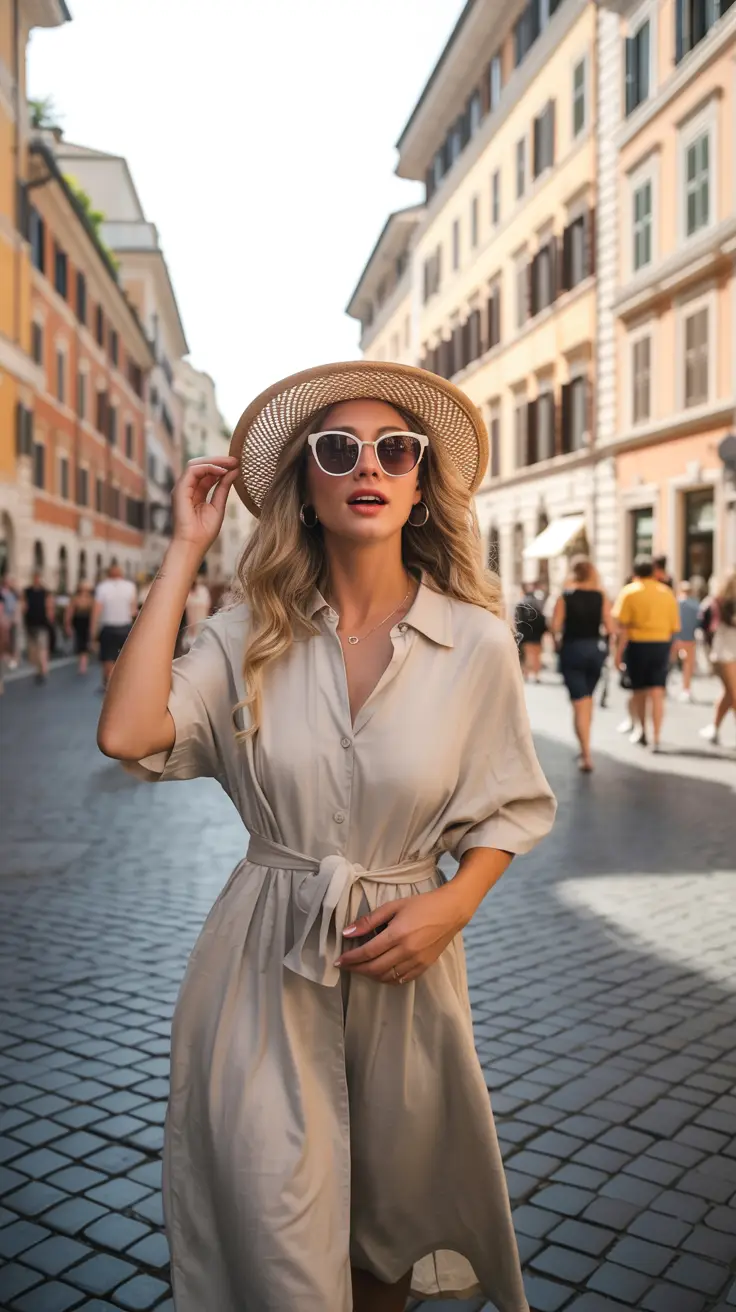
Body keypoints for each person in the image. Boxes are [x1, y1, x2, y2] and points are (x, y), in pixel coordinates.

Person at [97, 361, 556, 1312]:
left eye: (395, 449)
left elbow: (508, 802)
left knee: (384, 1245)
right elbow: (128, 732)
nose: (369, 466)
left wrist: (452, 905)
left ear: (420, 481)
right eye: (338, 450)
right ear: (307, 485)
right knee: (283, 1247)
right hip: (263, 970)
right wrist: (187, 548)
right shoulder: (245, 635)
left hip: (407, 966)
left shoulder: (474, 640)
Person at [550, 557, 613, 772]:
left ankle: (585, 753)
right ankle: (586, 747)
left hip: (573, 650)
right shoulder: (600, 595)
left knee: (580, 703)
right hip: (594, 650)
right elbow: (610, 626)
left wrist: (558, 643)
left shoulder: (564, 596)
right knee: (587, 701)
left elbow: (555, 626)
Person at [612, 557, 681, 751]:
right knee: (658, 691)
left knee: (639, 691)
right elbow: (674, 627)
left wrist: (617, 654)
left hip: (637, 645)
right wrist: (672, 651)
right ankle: (657, 736)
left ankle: (642, 730)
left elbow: (622, 627)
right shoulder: (667, 593)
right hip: (661, 645)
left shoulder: (629, 592)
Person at [699, 570, 736, 745]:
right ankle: (715, 729)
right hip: (727, 651)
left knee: (730, 692)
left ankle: (714, 728)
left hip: (724, 650)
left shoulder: (718, 601)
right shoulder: (722, 603)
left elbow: (710, 627)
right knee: (733, 692)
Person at [92, 561, 138, 691]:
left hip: (108, 627)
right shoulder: (130, 586)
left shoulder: (102, 587)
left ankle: (109, 684)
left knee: (108, 658)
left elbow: (96, 612)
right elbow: (133, 610)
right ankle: (124, 683)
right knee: (126, 657)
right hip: (125, 626)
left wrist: (92, 632)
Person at [672, 578, 702, 702]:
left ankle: (663, 687)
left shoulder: (676, 602)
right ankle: (686, 689)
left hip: (675, 638)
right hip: (689, 638)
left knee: (668, 663)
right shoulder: (696, 605)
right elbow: (699, 622)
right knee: (688, 665)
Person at [22, 570, 53, 684]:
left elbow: (49, 606)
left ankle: (43, 670)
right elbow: (24, 606)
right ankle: (38, 670)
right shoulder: (27, 591)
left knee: (42, 648)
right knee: (33, 650)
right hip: (30, 623)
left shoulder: (45, 592)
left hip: (42, 623)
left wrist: (50, 620)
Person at [515, 582, 546, 682]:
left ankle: (527, 674)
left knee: (527, 654)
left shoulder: (521, 603)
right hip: (537, 633)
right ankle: (536, 675)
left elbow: (517, 620)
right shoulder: (538, 602)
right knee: (537, 654)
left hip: (525, 633)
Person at [65, 581, 95, 675]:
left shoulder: (91, 600)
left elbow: (94, 614)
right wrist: (68, 625)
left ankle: (83, 665)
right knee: (80, 644)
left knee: (85, 644)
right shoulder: (76, 599)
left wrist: (93, 626)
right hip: (78, 624)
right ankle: (82, 664)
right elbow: (69, 613)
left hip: (86, 623)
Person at [184, 572, 212, 644]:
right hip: (191, 631)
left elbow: (207, 607)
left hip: (201, 629)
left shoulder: (203, 590)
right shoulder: (187, 593)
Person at [1, 577, 19, 669]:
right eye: (7, 582)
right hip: (5, 620)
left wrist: (15, 619)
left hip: (12, 620)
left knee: (13, 640)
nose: (9, 583)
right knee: (5, 640)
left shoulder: (13, 593)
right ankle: (6, 658)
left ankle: (13, 659)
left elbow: (15, 606)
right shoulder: (2, 593)